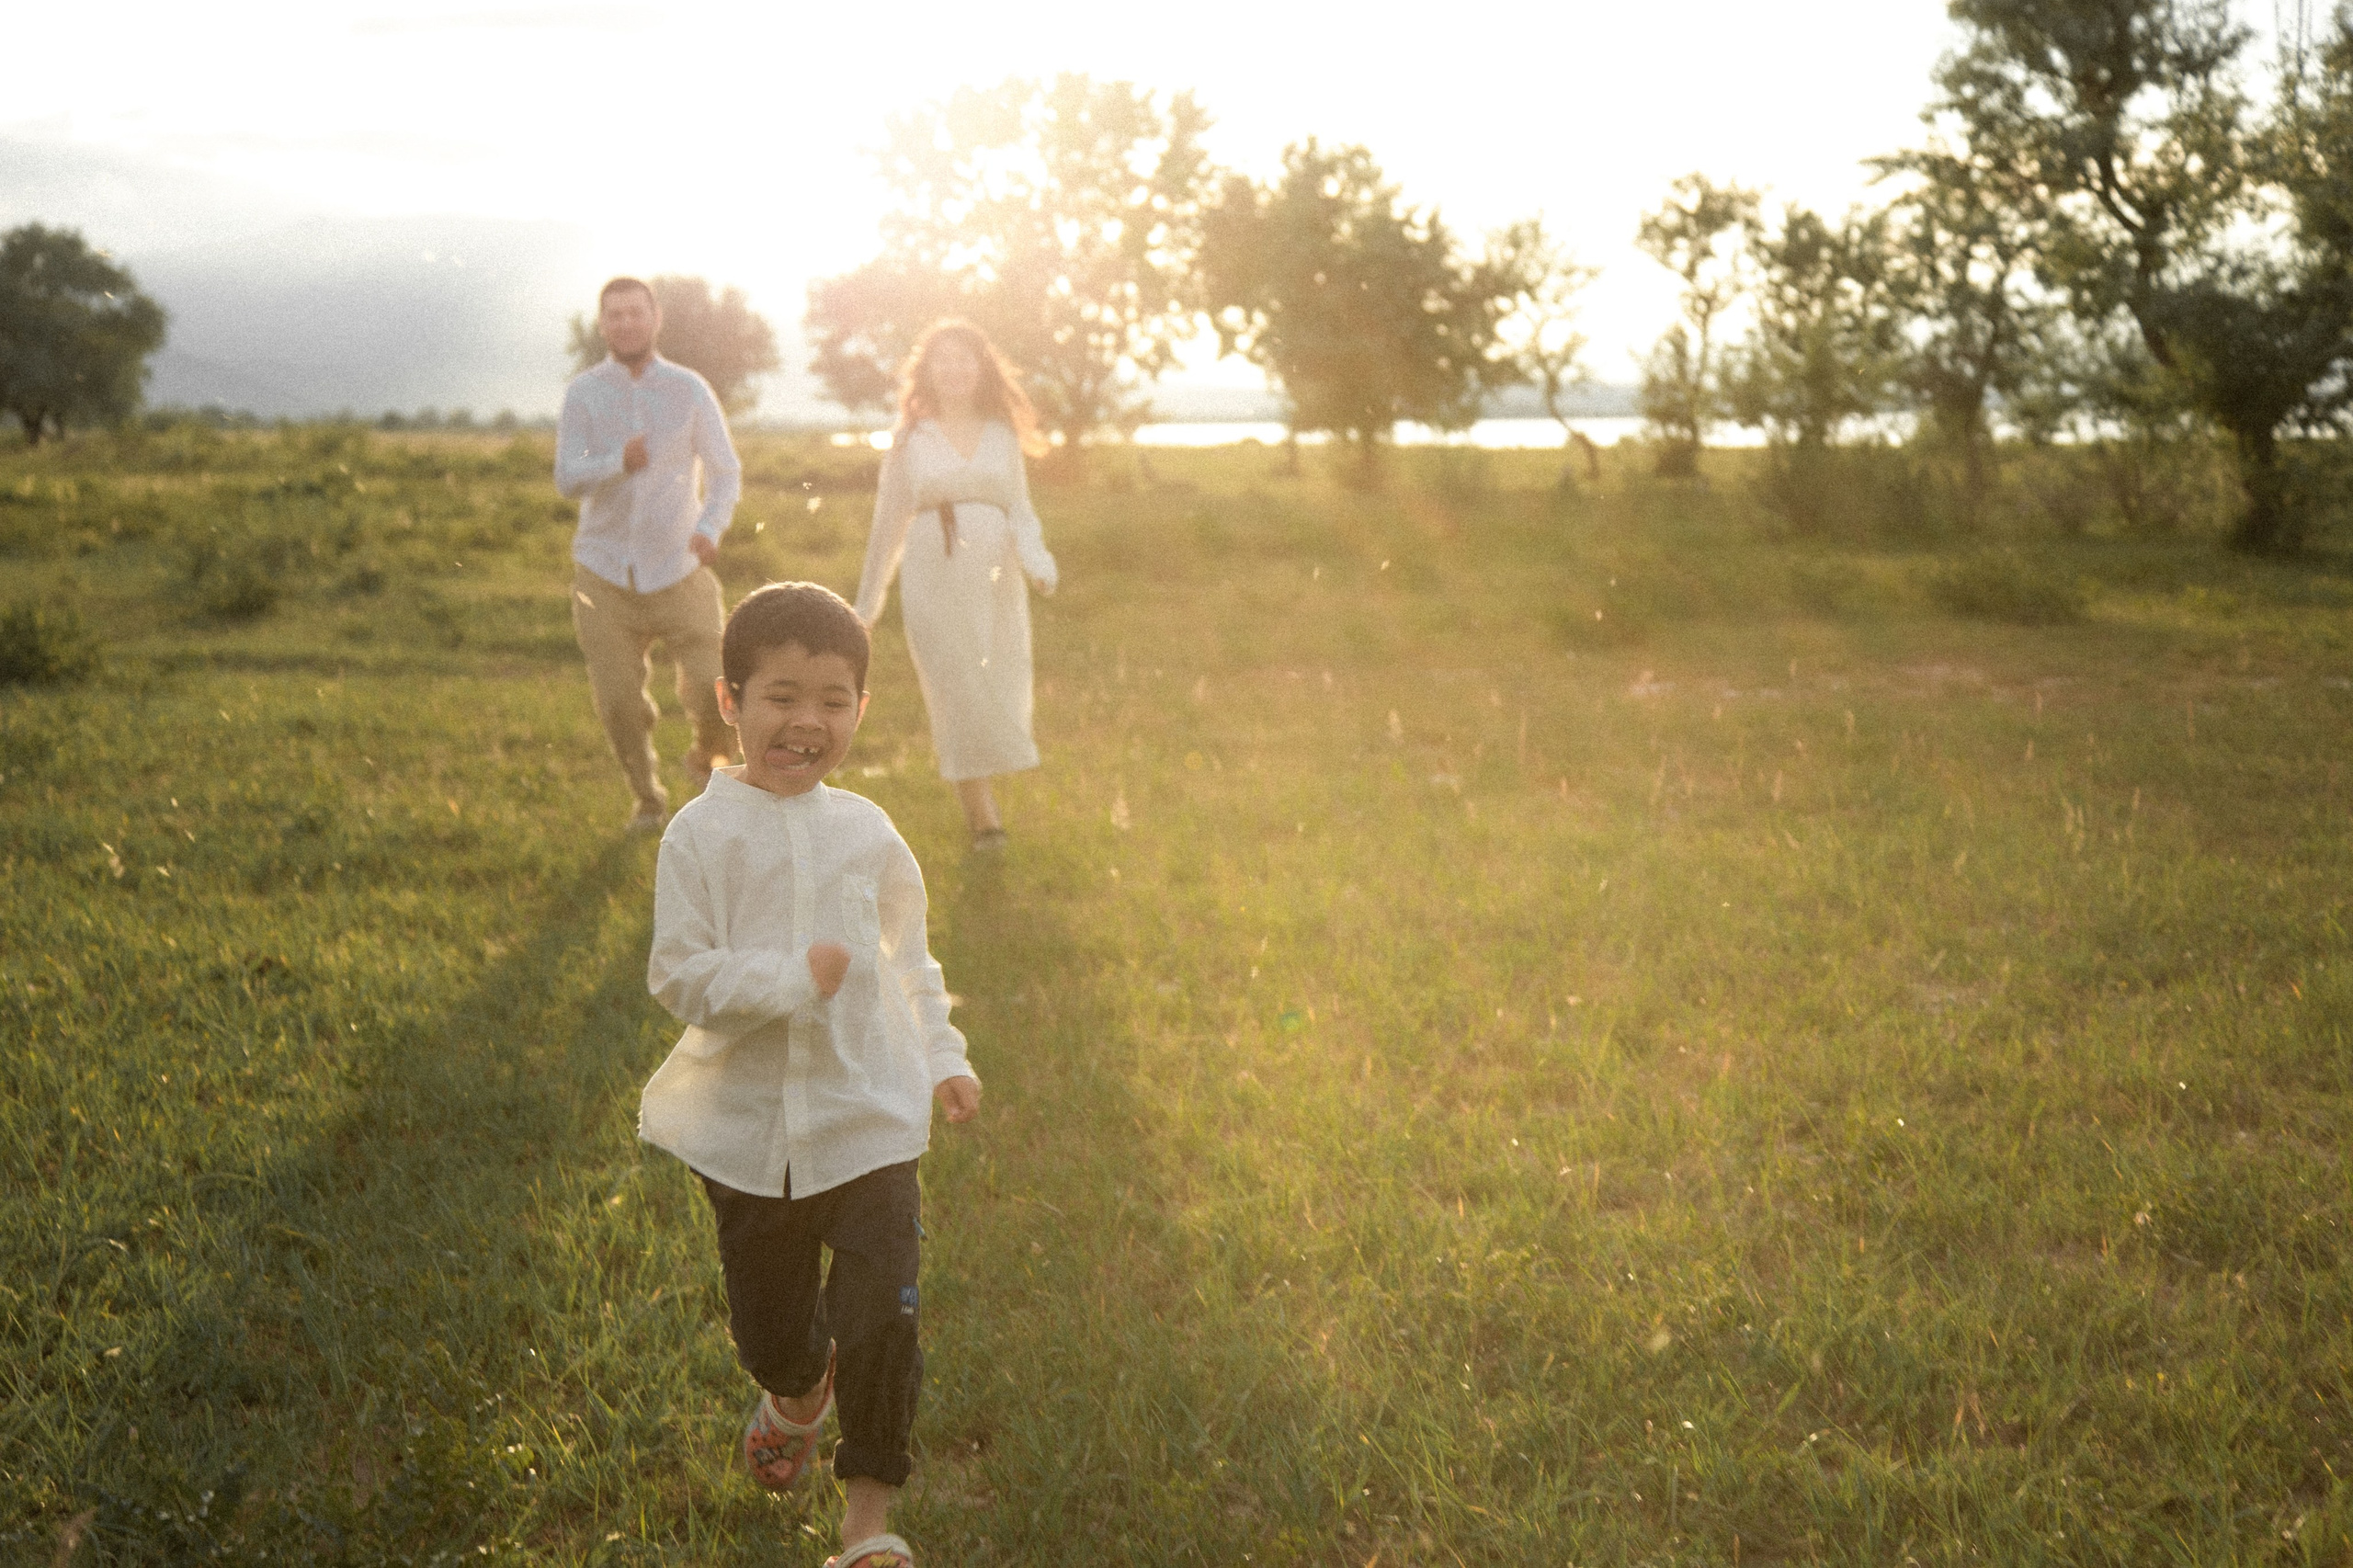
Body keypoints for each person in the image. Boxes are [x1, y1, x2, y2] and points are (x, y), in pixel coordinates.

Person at [640, 582, 982, 1568]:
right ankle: (795, 1390)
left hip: (867, 1116)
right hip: (751, 1138)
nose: (807, 721)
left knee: (884, 1316)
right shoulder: (699, 836)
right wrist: (789, 978)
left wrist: (943, 1057)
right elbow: (679, 975)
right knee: (773, 1333)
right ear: (729, 701)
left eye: (833, 700)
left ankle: (867, 1527)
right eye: (782, 696)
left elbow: (911, 960)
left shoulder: (869, 833)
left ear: (861, 710)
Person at [853, 321, 1057, 848]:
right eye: (943, 359)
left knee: (996, 679)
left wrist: (1038, 562)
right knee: (954, 682)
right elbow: (887, 523)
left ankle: (983, 791)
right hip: (933, 575)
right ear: (927, 370)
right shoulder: (910, 439)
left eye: (965, 358)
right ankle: (981, 814)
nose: (955, 369)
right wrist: (866, 606)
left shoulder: (1001, 433)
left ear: (982, 368)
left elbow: (1020, 507)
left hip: (995, 579)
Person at [555, 276, 744, 833]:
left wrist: (710, 526)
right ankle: (648, 800)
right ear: (602, 325)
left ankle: (705, 757)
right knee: (618, 702)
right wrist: (619, 461)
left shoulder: (689, 389)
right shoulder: (584, 392)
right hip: (604, 573)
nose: (626, 323)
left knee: (714, 690)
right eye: (615, 315)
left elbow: (726, 471)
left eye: (636, 312)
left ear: (655, 318)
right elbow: (567, 478)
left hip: (680, 567)